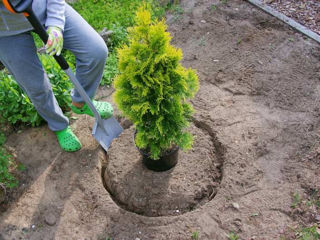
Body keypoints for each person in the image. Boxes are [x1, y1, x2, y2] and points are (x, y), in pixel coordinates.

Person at [0, 0, 113, 152]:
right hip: (5, 33)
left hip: (44, 8)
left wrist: (55, 24)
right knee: (35, 86)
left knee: (95, 51)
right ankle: (59, 125)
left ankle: (82, 102)